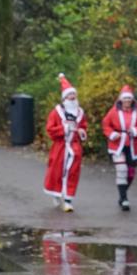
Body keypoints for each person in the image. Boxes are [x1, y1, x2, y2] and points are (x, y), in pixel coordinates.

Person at [43, 73, 88, 212]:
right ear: (64, 98)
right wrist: (64, 128)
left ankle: (68, 199)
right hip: (60, 147)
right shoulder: (56, 112)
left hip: (74, 148)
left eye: (74, 95)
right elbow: (50, 129)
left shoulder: (80, 112)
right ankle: (56, 194)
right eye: (70, 95)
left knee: (73, 173)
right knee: (56, 172)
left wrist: (81, 132)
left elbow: (84, 127)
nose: (73, 97)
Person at [101, 85, 137, 211]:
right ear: (121, 100)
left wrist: (136, 130)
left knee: (131, 173)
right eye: (125, 99)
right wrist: (112, 134)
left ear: (132, 100)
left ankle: (122, 194)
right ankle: (124, 199)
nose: (127, 101)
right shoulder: (113, 111)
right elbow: (105, 125)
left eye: (129, 99)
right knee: (122, 169)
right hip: (117, 144)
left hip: (133, 145)